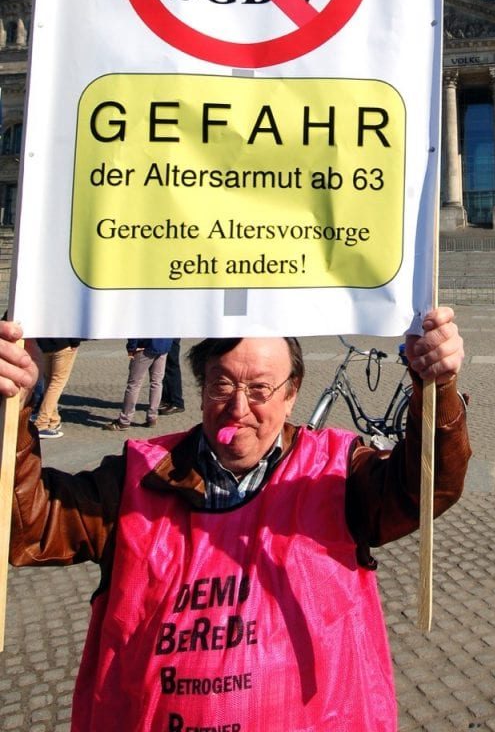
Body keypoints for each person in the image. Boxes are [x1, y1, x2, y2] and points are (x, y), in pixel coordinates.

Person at [2, 307, 469, 732]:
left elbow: (425, 488)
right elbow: (29, 526)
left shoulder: (338, 472)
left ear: (291, 396)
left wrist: (436, 389)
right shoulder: (136, 475)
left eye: (260, 389)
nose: (238, 408)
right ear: (201, 389)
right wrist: (9, 410)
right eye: (221, 384)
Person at [104, 337, 173, 431]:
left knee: (134, 385)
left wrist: (132, 347)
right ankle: (152, 417)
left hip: (144, 346)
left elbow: (135, 328)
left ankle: (124, 421)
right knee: (157, 382)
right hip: (163, 345)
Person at [33, 337, 82, 438]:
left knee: (49, 381)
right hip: (63, 344)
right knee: (56, 383)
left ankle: (53, 419)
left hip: (45, 346)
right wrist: (75, 343)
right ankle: (41, 423)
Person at [158, 338, 185, 415]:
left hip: (171, 335)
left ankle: (177, 402)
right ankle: (167, 400)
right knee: (165, 366)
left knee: (172, 365)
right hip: (166, 334)